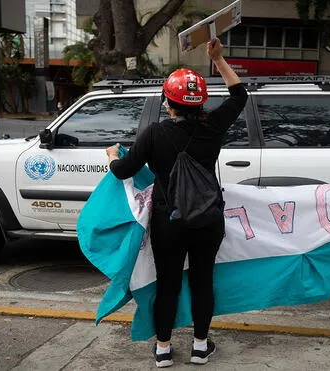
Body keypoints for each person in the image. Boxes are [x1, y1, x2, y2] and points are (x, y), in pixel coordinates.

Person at [105, 38, 246, 368]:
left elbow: (123, 171)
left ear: (168, 101)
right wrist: (219, 60)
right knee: (202, 281)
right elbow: (239, 95)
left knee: (167, 283)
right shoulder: (214, 126)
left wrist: (112, 156)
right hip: (208, 220)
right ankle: (200, 347)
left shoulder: (154, 133)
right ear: (201, 102)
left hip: (168, 221)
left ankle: (164, 349)